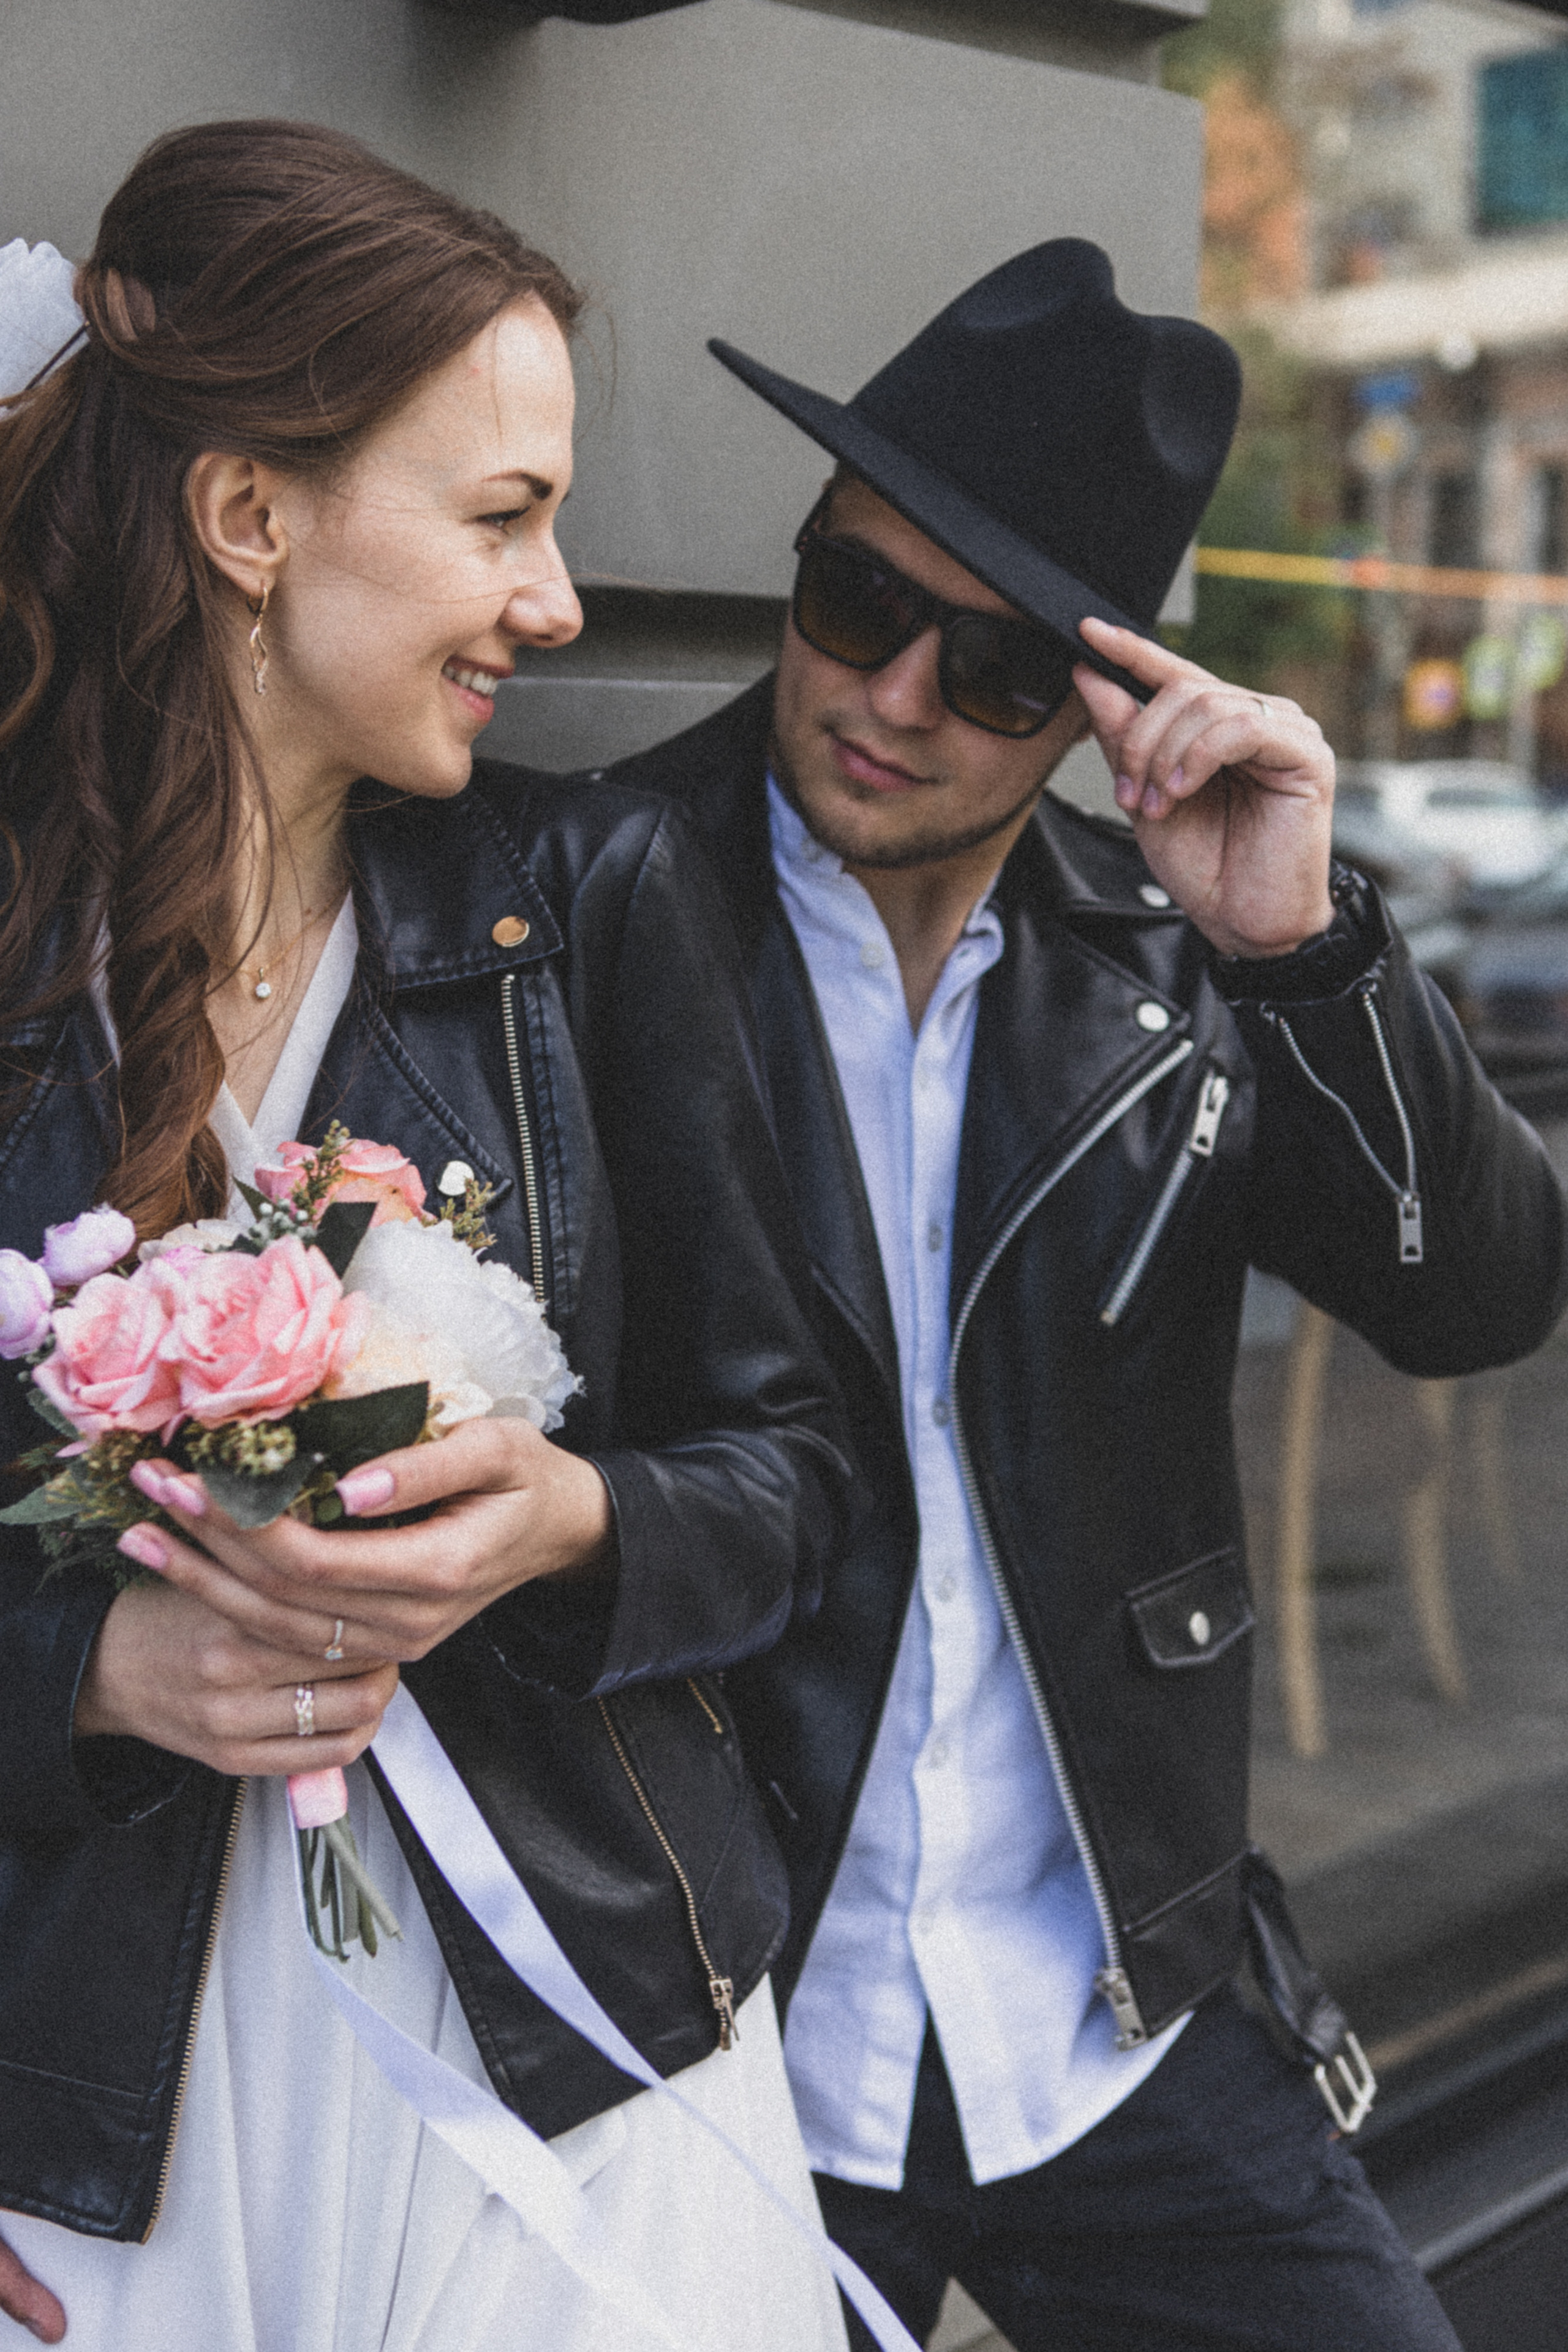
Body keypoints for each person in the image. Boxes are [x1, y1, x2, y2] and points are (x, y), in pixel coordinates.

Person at [600, 239, 1568, 2351]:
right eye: (858, 602)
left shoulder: (1176, 957)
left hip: (1114, 2009)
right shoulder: (586, 911)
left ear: (1104, 701)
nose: (896, 698)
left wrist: (1305, 954)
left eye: (1003, 674)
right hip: (734, 2028)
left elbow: (1481, 1299)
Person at [0, 122, 857, 2352]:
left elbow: (802, 1477)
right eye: (502, 518)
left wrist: (570, 1518)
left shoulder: (591, 908)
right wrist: (82, 1672)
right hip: (100, 2109)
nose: (560, 603)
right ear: (251, 519)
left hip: (583, 2042)